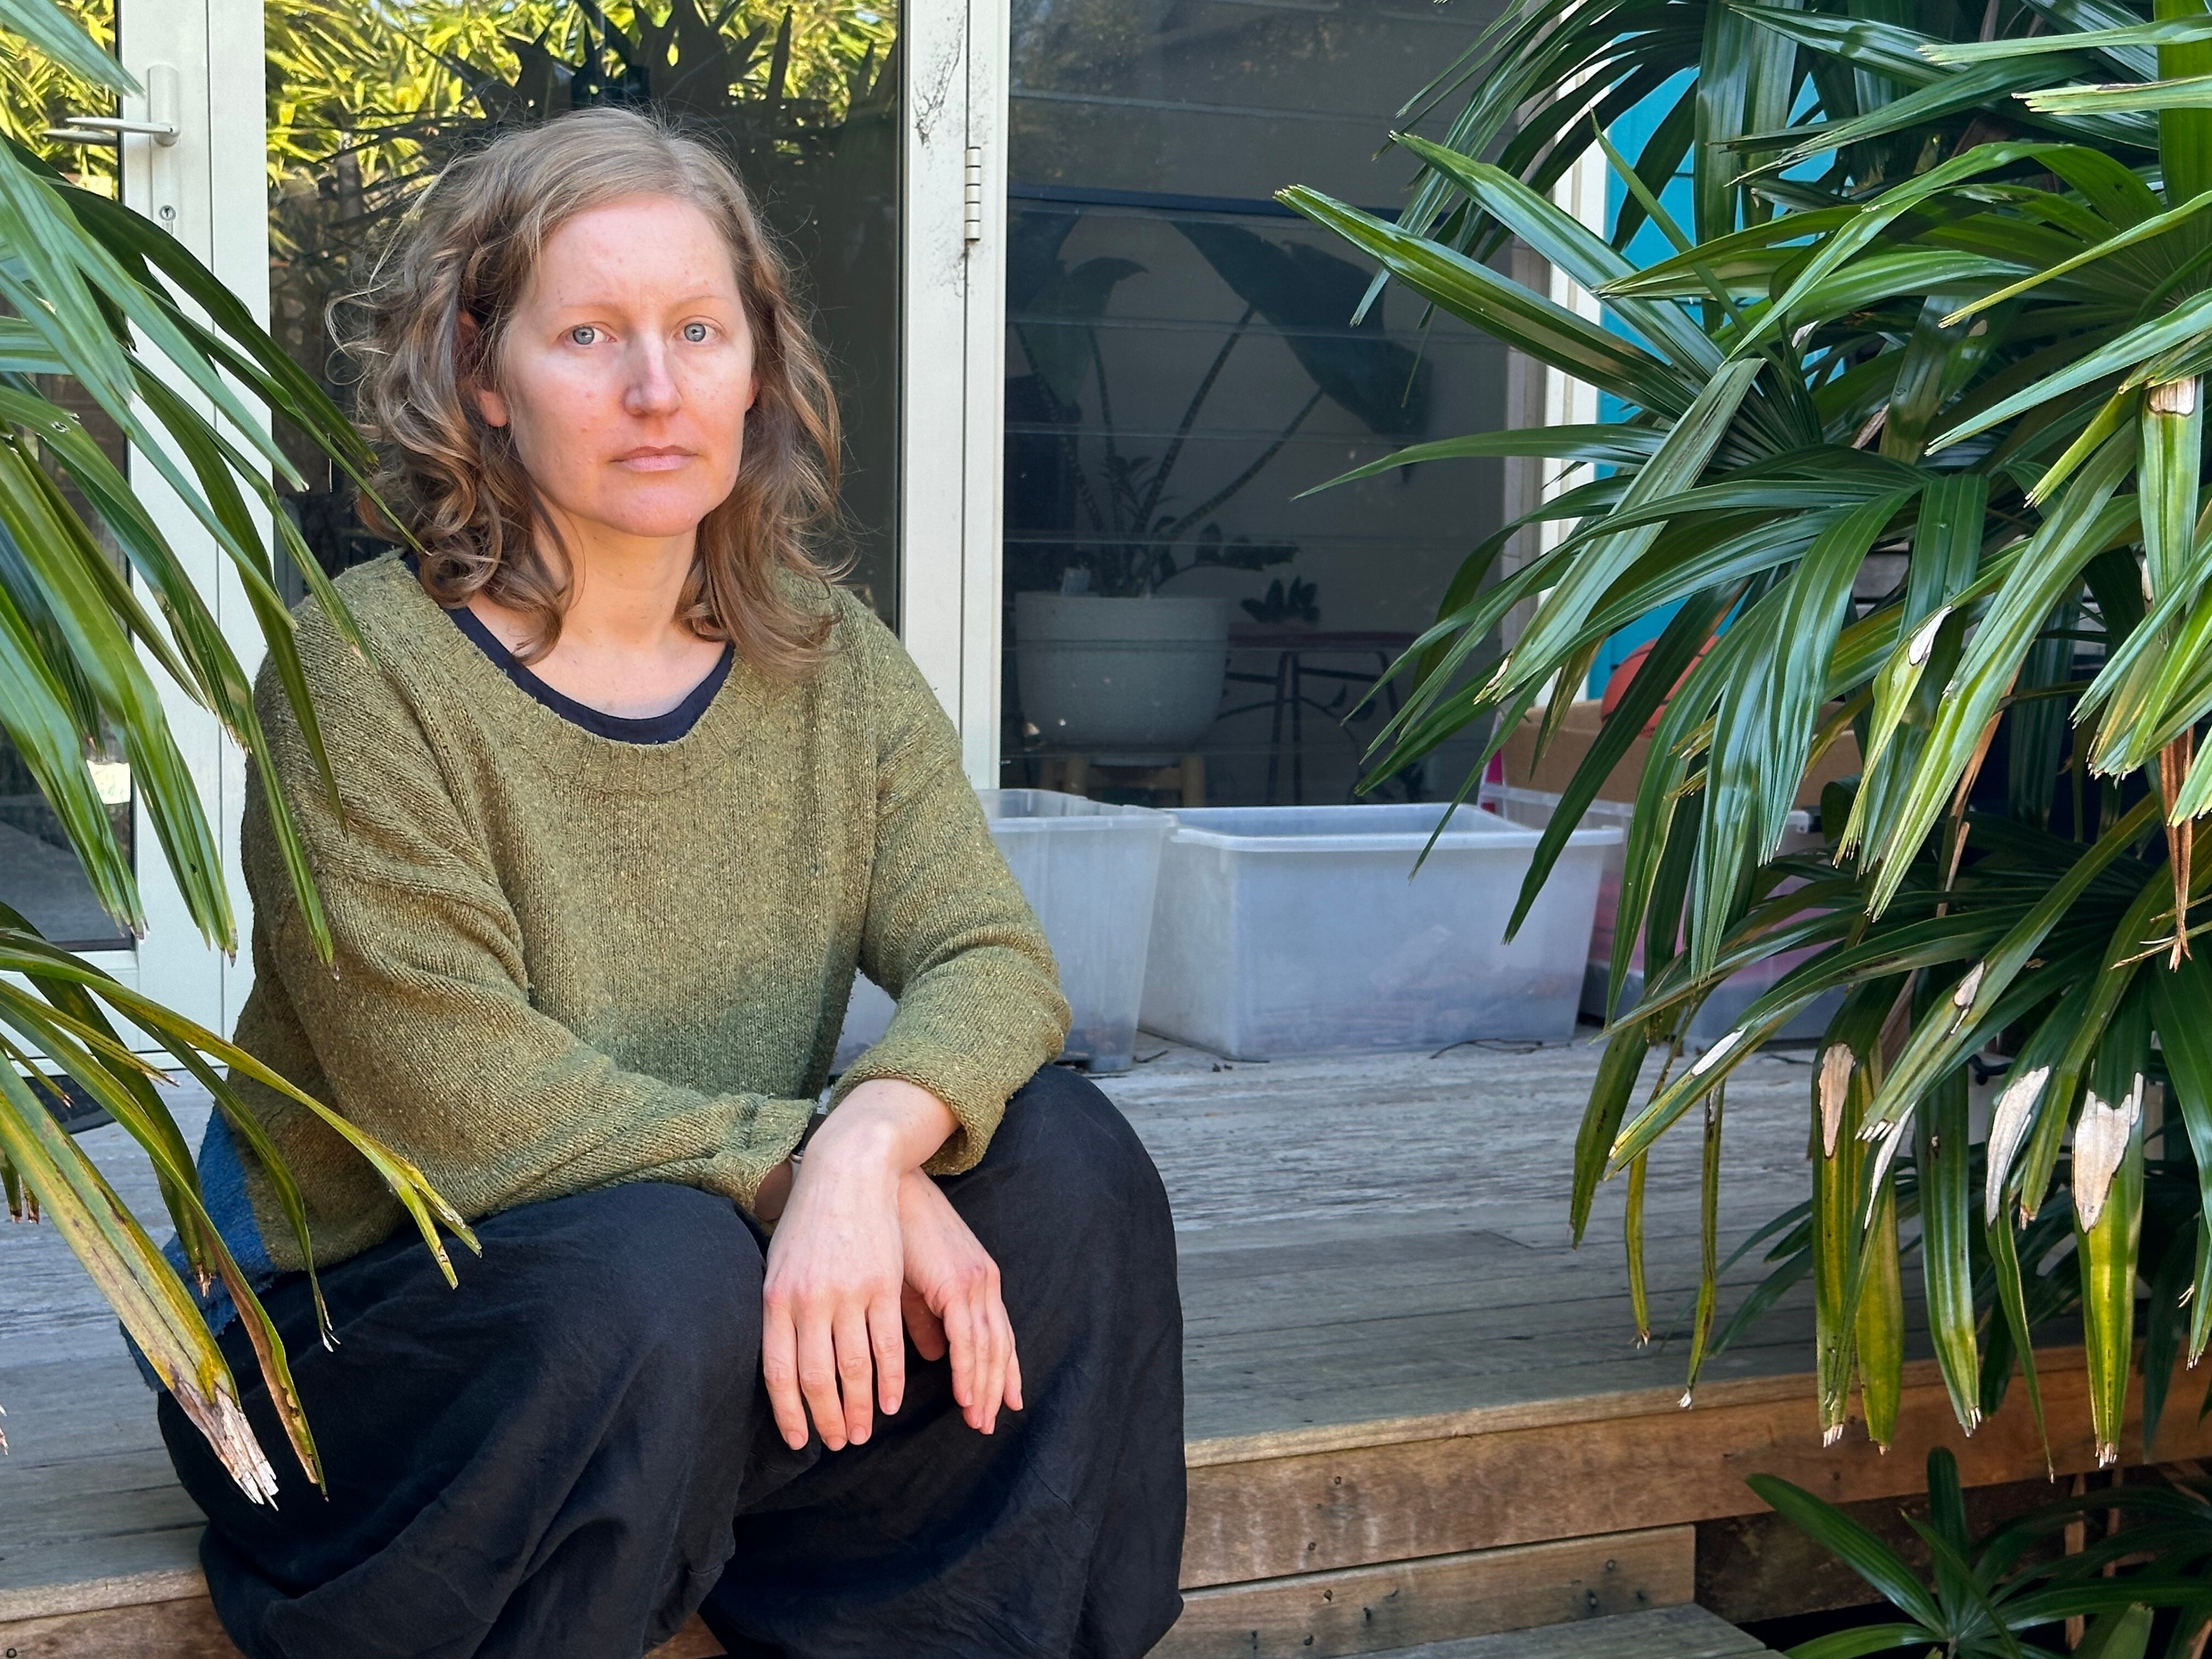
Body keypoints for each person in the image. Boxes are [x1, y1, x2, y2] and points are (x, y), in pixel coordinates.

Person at [153, 105, 1186, 1659]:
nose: (656, 389)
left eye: (700, 330)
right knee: (659, 1268)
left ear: (756, 368)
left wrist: (865, 1151)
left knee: (1069, 1166)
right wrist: (796, 1166)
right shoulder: (364, 673)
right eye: (589, 336)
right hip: (348, 1345)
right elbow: (466, 1102)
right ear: (482, 376)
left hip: (696, 1298)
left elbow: (990, 956)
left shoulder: (829, 660)